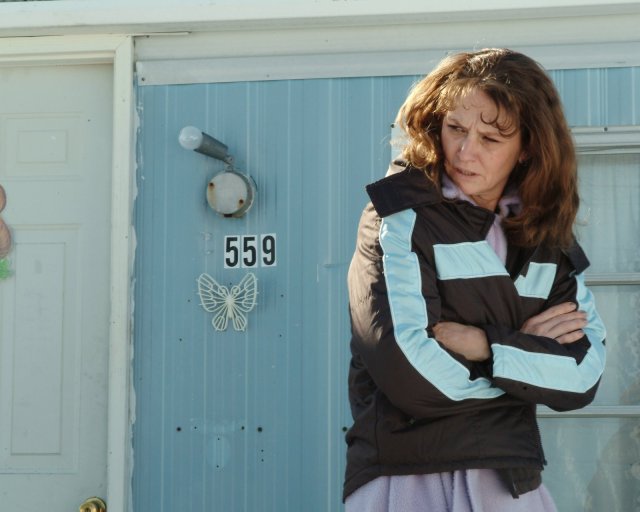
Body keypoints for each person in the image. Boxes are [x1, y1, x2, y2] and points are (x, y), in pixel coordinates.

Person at [344, 48, 606, 512]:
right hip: (406, 480)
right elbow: (411, 375)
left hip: (513, 485)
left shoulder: (547, 240)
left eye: (490, 138)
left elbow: (583, 375)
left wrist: (485, 345)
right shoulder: (398, 216)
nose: (466, 152)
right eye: (456, 129)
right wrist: (525, 356)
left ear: (527, 147)